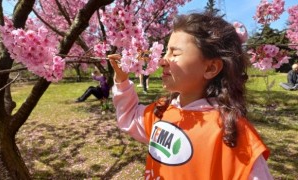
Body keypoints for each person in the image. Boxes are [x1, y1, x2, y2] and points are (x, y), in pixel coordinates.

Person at [108, 11, 272, 179]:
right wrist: (122, 80)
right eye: (166, 52)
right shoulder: (162, 111)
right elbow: (130, 118)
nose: (162, 60)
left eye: (175, 53)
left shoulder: (232, 133)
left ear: (210, 68)